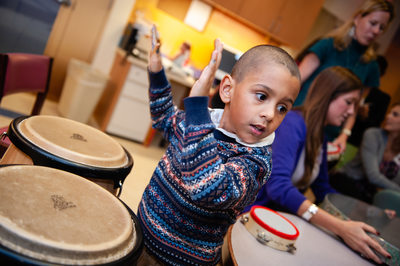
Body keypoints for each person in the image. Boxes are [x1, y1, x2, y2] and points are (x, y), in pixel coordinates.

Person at [137, 25, 301, 265]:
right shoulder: (197, 123)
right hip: (141, 237)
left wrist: (196, 107)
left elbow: (207, 188)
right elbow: (164, 118)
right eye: (262, 96)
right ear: (227, 90)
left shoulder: (256, 163)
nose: (269, 114)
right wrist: (156, 71)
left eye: (282, 108)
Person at [245, 66, 391, 264]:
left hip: (280, 221)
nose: (350, 112)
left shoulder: (318, 135)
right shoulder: (293, 123)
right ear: (327, 96)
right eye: (348, 103)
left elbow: (323, 189)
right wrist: (339, 227)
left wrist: (371, 213)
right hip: (253, 221)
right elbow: (278, 187)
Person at [295, 0, 394, 152]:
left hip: (327, 135)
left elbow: (354, 108)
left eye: (382, 28)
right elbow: (295, 82)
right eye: (373, 23)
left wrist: (344, 135)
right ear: (358, 18)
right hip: (300, 122)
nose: (376, 31)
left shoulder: (371, 66)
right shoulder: (327, 45)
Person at [331, 102, 400, 203]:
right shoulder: (373, 135)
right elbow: (373, 176)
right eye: (390, 112)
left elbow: (396, 182)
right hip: (348, 181)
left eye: (395, 114)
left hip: (371, 193)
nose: (388, 116)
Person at [347, 55, 391, 147]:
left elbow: (377, 124)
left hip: (356, 141)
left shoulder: (383, 98)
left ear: (381, 74)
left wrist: (364, 117)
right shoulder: (350, 86)